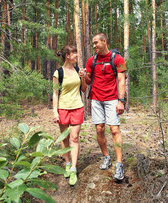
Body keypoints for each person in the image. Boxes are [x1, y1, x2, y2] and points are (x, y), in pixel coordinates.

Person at [85, 32, 127, 181]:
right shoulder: (91, 60)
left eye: (96, 42)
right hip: (96, 99)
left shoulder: (118, 59)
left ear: (104, 41)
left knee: (114, 129)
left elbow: (121, 81)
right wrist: (84, 75)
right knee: (99, 129)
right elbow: (88, 81)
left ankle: (119, 164)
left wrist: (121, 100)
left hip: (112, 99)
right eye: (93, 43)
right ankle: (106, 157)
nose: (94, 45)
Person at [52, 45, 87, 186]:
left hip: (77, 107)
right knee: (64, 138)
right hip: (63, 108)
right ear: (67, 55)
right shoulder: (58, 73)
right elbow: (55, 93)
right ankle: (67, 163)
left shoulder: (78, 70)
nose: (76, 55)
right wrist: (55, 111)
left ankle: (73, 168)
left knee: (75, 137)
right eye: (74, 53)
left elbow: (83, 89)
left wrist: (83, 78)